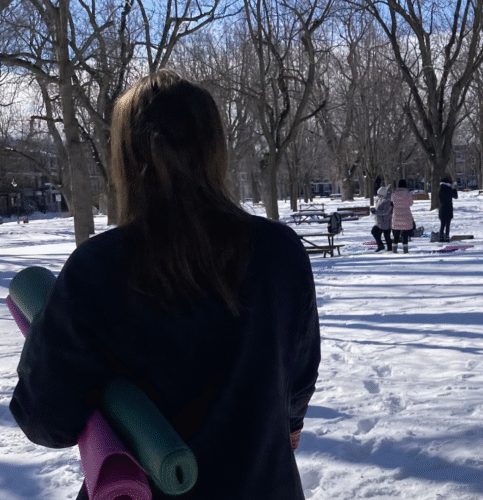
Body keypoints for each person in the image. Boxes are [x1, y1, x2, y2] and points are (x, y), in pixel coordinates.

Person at [10, 70, 321, 500]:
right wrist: (288, 423)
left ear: (125, 157)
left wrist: (48, 328)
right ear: (215, 151)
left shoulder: (96, 270)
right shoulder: (280, 253)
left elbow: (44, 418)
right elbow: (298, 380)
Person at [391, 179, 414, 253]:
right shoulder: (408, 194)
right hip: (406, 215)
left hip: (397, 215)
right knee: (405, 233)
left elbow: (392, 203)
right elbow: (411, 203)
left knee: (396, 233)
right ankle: (405, 249)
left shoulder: (394, 194)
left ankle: (394, 249)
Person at [370, 186, 393, 251]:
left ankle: (389, 249)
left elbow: (385, 211)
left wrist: (376, 212)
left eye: (379, 195)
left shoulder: (387, 201)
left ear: (383, 194)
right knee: (375, 232)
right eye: (378, 194)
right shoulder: (379, 200)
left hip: (386, 221)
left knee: (387, 237)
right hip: (380, 221)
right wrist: (374, 210)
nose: (378, 196)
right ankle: (380, 245)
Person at [438, 175, 458, 243]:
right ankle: (447, 236)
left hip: (442, 208)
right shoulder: (449, 189)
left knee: (442, 224)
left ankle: (441, 237)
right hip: (448, 208)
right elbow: (455, 196)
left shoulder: (440, 189)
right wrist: (453, 188)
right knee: (447, 224)